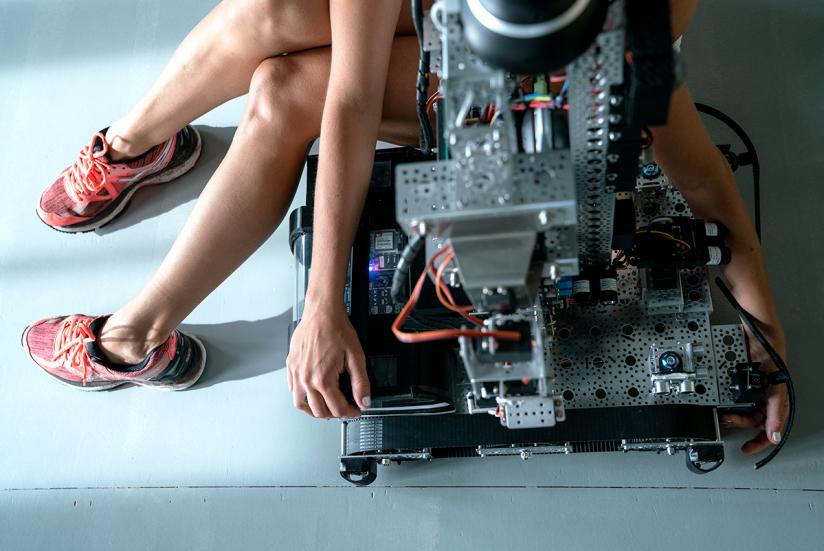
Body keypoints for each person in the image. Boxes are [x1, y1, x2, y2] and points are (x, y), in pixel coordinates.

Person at [21, 0, 788, 456]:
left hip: (515, 44)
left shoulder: (644, 20)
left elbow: (694, 170)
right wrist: (321, 304)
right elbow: (352, 101)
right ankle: (134, 144)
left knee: (282, 88)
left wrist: (766, 333)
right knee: (266, 16)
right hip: (446, 36)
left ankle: (134, 336)